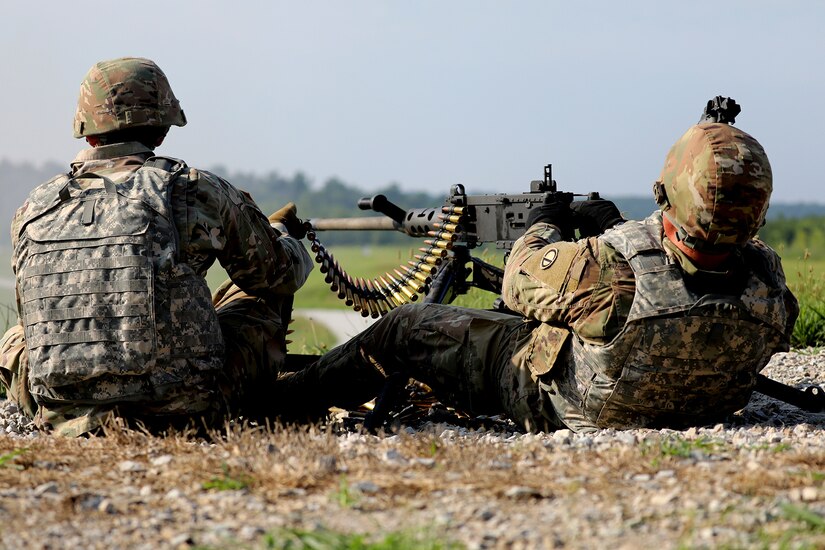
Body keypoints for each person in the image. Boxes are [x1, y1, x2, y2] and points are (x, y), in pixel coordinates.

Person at [274, 113, 799, 432]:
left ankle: (286, 400)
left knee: (406, 325)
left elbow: (519, 279)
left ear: (668, 188)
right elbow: (686, 298)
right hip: (696, 405)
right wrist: (616, 227)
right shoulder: (767, 280)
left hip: (568, 403)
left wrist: (544, 225)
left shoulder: (610, 270)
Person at [0, 57, 313, 436]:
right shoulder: (193, 189)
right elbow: (277, 276)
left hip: (63, 416)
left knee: (16, 336)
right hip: (183, 412)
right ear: (162, 129)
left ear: (87, 133)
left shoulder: (33, 207)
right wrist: (286, 238)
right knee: (256, 301)